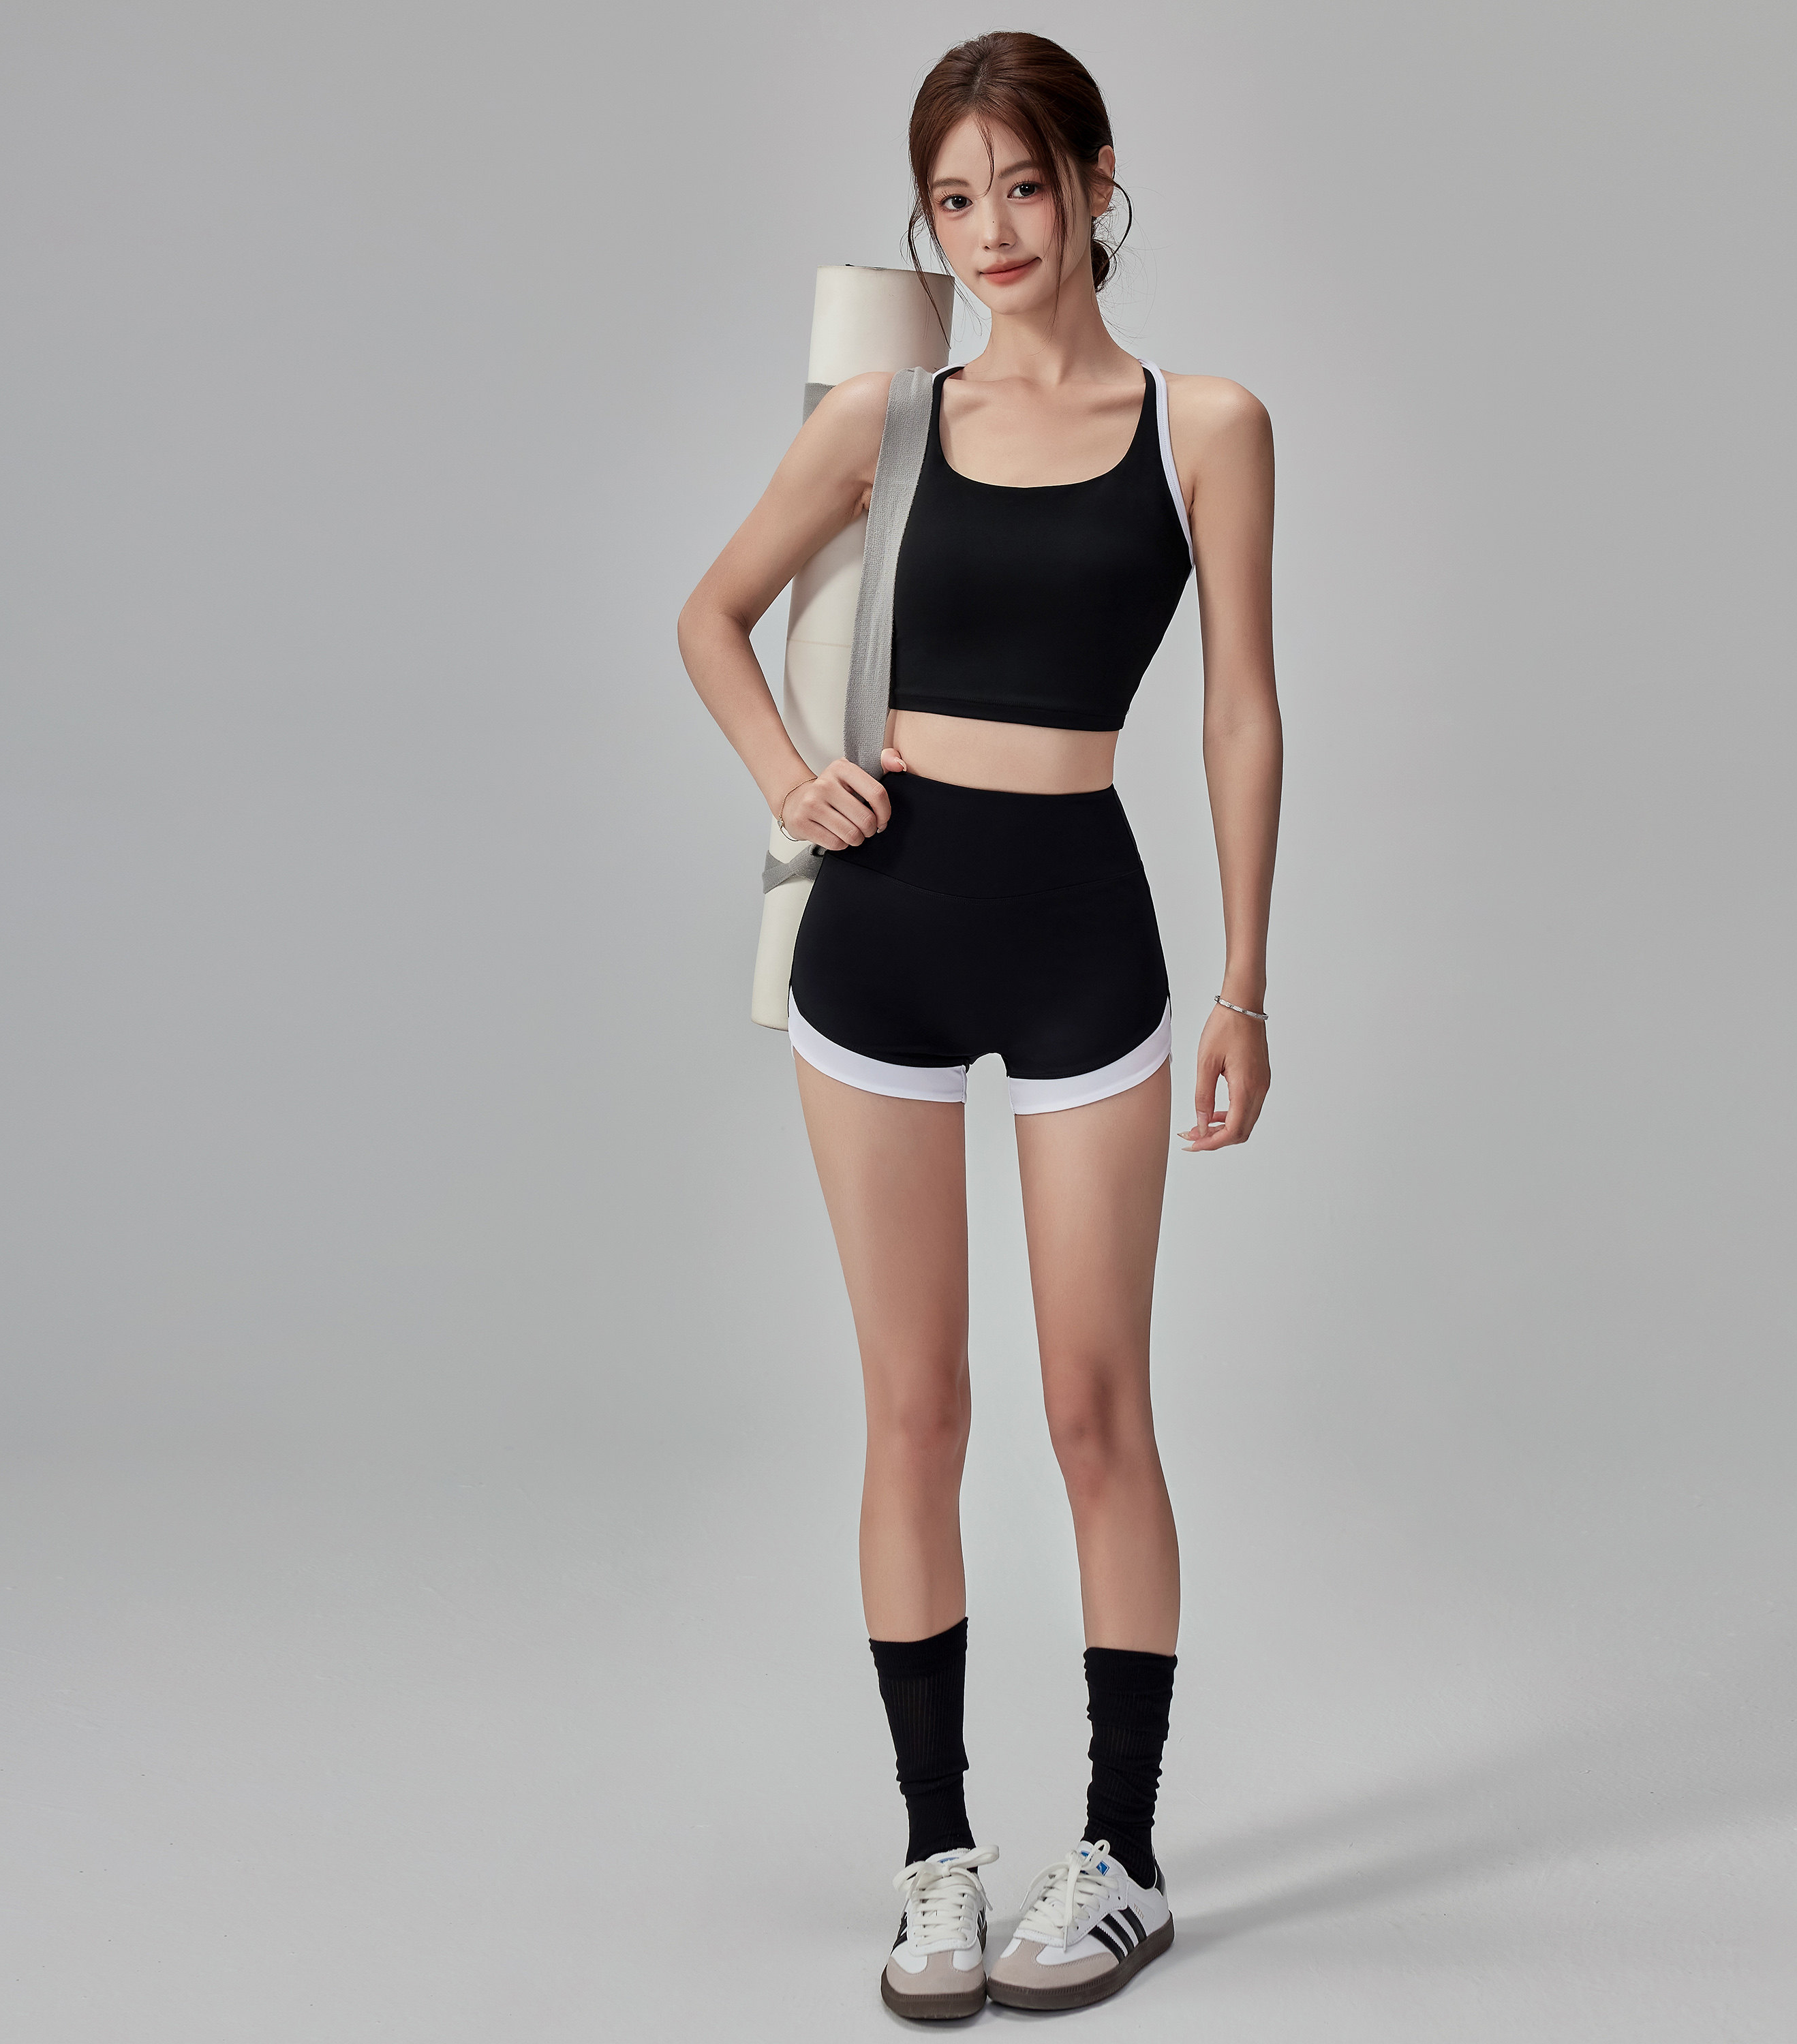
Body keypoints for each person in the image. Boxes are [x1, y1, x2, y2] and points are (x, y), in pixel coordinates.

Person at [679, 30, 1280, 2019]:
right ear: (925, 222)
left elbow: (1242, 708)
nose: (994, 230)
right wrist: (791, 777)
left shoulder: (1206, 425)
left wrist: (1248, 982)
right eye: (954, 200)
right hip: (886, 936)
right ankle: (937, 1858)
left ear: (1097, 180)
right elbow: (710, 615)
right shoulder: (885, 415)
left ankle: (1121, 1859)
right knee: (914, 1412)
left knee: (1097, 1409)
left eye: (1024, 184)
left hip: (1084, 935)